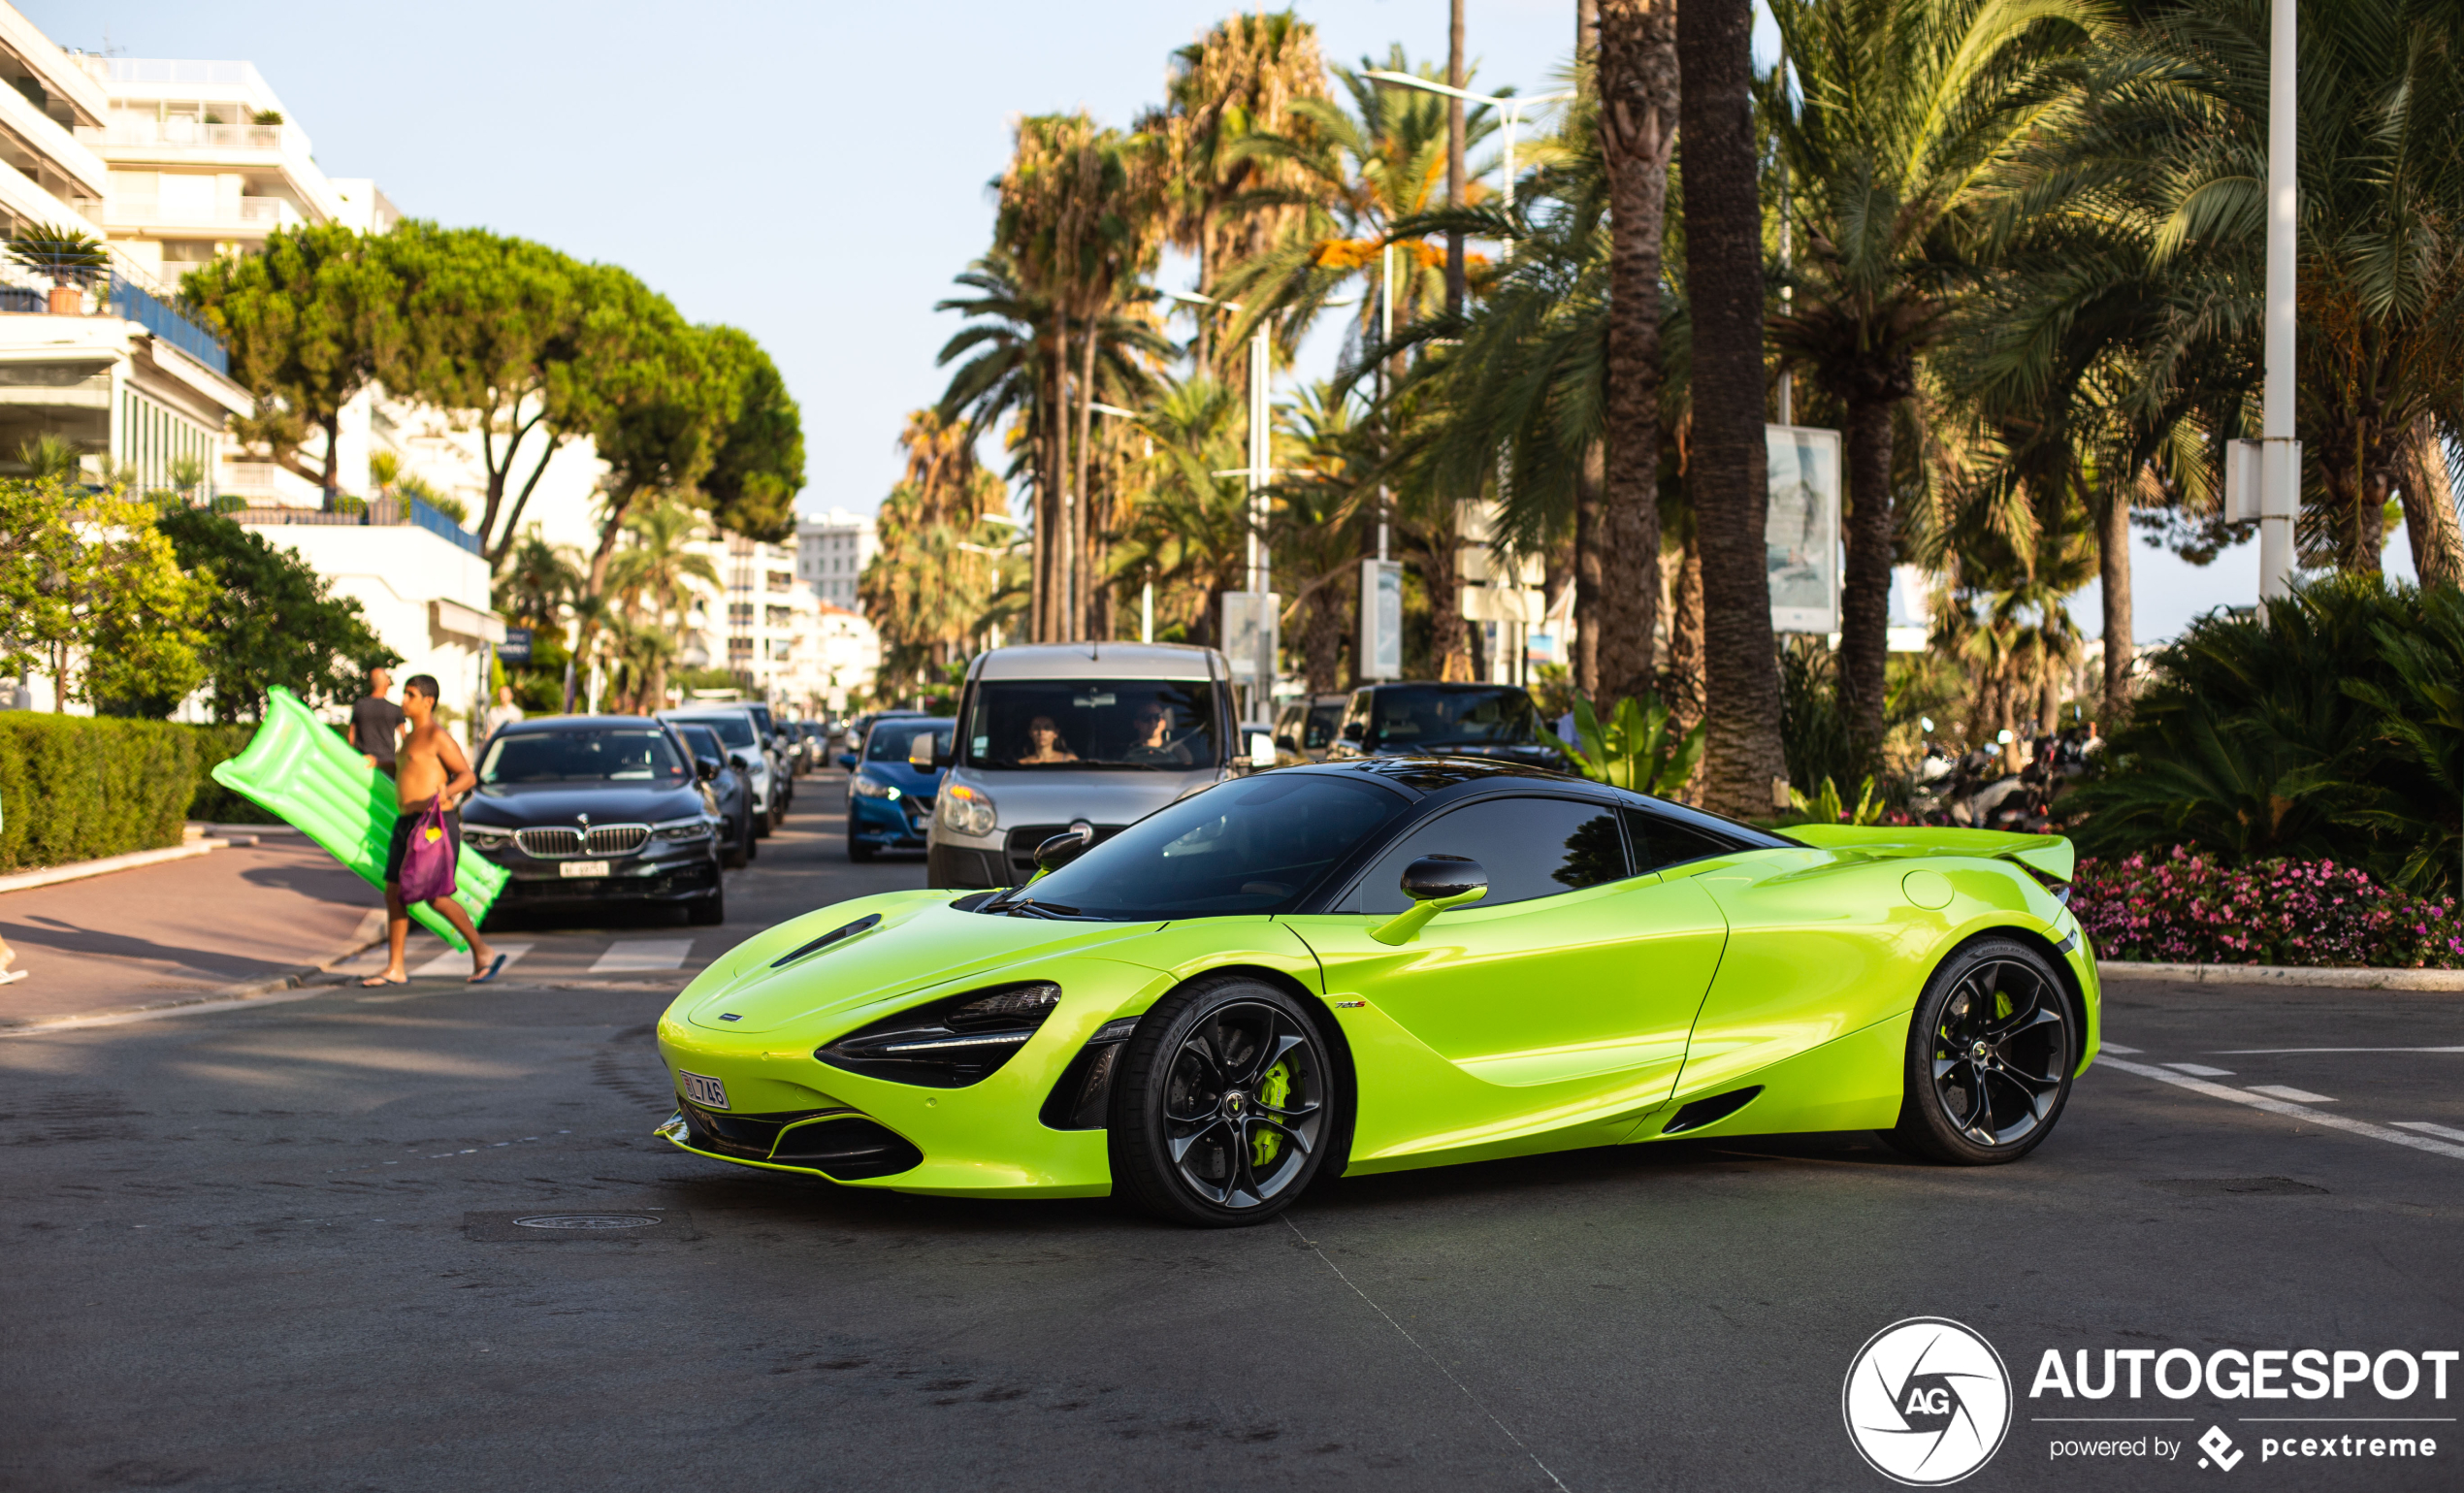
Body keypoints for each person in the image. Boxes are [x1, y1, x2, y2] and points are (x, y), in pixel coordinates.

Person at [361, 674, 504, 987]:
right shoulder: (410, 737)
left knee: (435, 896)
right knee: (394, 894)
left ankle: (482, 951)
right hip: (406, 823)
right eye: (405, 694)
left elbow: (467, 776)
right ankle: (395, 968)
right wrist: (381, 762)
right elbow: (408, 767)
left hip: (433, 826)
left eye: (410, 695)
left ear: (428, 701)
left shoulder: (437, 736)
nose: (404, 700)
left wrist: (446, 793)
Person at [350, 667, 405, 778]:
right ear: (387, 683)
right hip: (387, 766)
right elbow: (405, 738)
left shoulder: (360, 706)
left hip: (363, 762)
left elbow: (351, 737)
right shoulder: (395, 709)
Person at [1122, 698, 1193, 768]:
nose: (1152, 722)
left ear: (1164, 722)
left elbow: (1187, 775)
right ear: (1136, 723)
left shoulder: (1178, 751)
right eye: (1146, 717)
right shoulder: (1126, 751)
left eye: (1157, 717)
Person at [481, 683, 525, 747]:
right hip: (496, 746)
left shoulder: (517, 713)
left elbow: (519, 733)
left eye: (504, 694)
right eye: (500, 694)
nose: (502, 696)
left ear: (511, 695)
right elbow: (488, 731)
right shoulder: (492, 712)